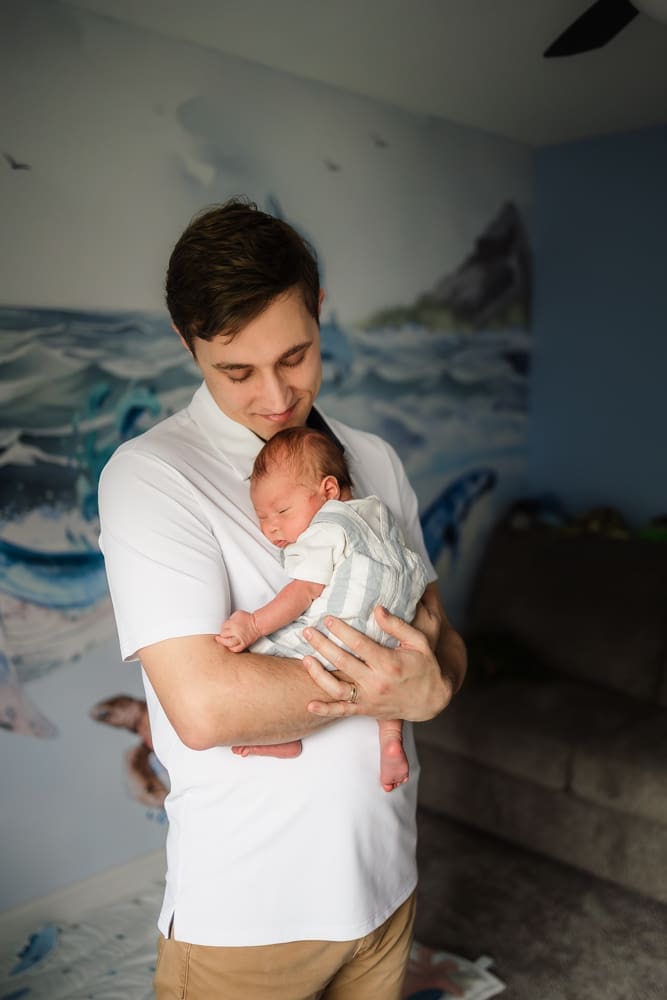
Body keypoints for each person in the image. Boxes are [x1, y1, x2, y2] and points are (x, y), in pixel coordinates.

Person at [97, 197, 466, 1000]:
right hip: (249, 917)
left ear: (320, 310)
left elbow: (446, 645)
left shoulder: (373, 459)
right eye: (236, 370)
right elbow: (206, 710)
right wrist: (403, 682)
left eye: (295, 356)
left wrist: (434, 679)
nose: (273, 396)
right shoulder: (150, 476)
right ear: (185, 342)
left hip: (386, 886)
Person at [218, 425, 430, 792]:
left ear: (329, 491)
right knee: (390, 689)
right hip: (394, 633)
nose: (271, 528)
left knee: (263, 658)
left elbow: (304, 591)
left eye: (281, 510)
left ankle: (280, 738)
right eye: (262, 517)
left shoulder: (327, 525)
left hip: (340, 631)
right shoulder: (379, 513)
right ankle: (390, 738)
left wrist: (253, 625)